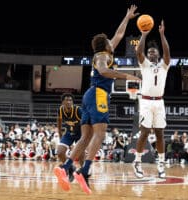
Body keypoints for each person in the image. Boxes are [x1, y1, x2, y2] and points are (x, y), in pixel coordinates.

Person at [53, 4, 141, 194]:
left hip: (89, 94)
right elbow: (103, 70)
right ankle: (84, 171)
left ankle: (66, 167)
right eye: (109, 41)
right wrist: (128, 76)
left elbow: (118, 35)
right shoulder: (102, 55)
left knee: (86, 137)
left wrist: (126, 18)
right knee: (99, 134)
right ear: (105, 45)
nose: (113, 41)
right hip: (98, 94)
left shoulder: (106, 52)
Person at [132, 19, 171, 179]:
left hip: (159, 101)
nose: (150, 54)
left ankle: (161, 164)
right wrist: (143, 35)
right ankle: (137, 161)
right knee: (145, 132)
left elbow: (167, 53)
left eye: (153, 52)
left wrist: (162, 35)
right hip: (146, 101)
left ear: (158, 54)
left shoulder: (164, 65)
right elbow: (138, 52)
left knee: (160, 133)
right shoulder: (145, 65)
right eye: (149, 53)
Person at [55, 93, 84, 185]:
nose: (69, 102)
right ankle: (71, 168)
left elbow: (86, 123)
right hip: (69, 133)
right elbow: (59, 124)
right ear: (62, 102)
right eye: (66, 100)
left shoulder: (78, 110)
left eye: (70, 100)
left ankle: (84, 174)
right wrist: (60, 137)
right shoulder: (60, 110)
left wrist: (85, 138)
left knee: (80, 155)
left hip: (80, 133)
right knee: (59, 152)